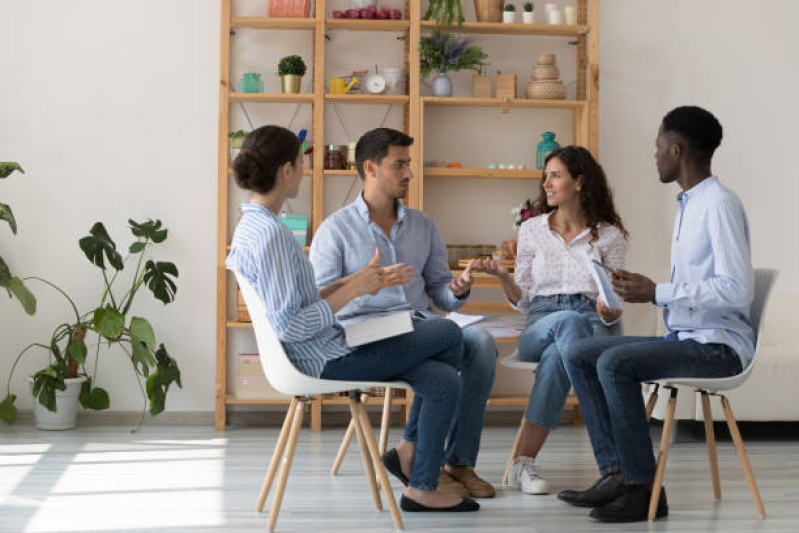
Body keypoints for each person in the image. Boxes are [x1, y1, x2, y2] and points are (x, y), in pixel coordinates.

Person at [225, 125, 479, 513]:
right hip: (321, 357)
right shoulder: (273, 235)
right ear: (286, 171)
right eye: (301, 163)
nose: (305, 171)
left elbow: (298, 300)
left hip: (325, 347)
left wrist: (355, 281)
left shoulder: (254, 225)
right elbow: (290, 325)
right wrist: (355, 291)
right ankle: (415, 461)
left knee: (442, 378)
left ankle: (419, 485)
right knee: (446, 331)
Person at [557, 106, 753, 522]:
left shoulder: (718, 205)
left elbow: (737, 290)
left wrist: (657, 292)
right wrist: (642, 289)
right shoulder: (690, 205)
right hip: (687, 338)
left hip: (719, 348)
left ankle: (644, 491)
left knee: (614, 360)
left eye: (658, 146)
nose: (655, 154)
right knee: (579, 352)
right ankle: (617, 474)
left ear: (677, 150)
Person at [310, 128, 498, 499]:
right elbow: (321, 303)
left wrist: (457, 290)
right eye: (399, 165)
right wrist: (363, 284)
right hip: (368, 334)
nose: (409, 173)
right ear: (370, 168)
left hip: (419, 325)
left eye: (408, 164)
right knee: (452, 340)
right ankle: (419, 456)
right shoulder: (335, 230)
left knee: (482, 344)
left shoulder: (423, 226)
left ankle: (457, 462)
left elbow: (439, 294)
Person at [471, 145, 628, 495]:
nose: (546, 184)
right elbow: (523, 300)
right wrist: (503, 279)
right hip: (541, 321)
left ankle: (522, 463)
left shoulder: (610, 236)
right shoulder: (532, 230)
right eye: (546, 176)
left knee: (561, 352)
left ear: (579, 181)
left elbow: (611, 302)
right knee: (567, 324)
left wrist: (609, 309)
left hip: (591, 323)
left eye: (555, 175)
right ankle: (613, 466)